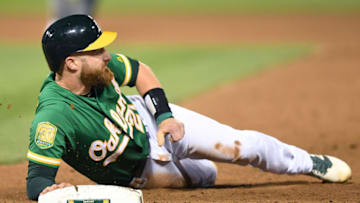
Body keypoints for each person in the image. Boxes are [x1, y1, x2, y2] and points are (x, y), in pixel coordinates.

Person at [26, 14, 352, 200]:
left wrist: (164, 116)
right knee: (207, 176)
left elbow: (141, 71)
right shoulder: (53, 117)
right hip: (139, 172)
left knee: (241, 145)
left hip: (149, 120)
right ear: (71, 63)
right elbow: (36, 181)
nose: (107, 55)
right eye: (97, 50)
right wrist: (51, 191)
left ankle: (307, 162)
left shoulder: (100, 69)